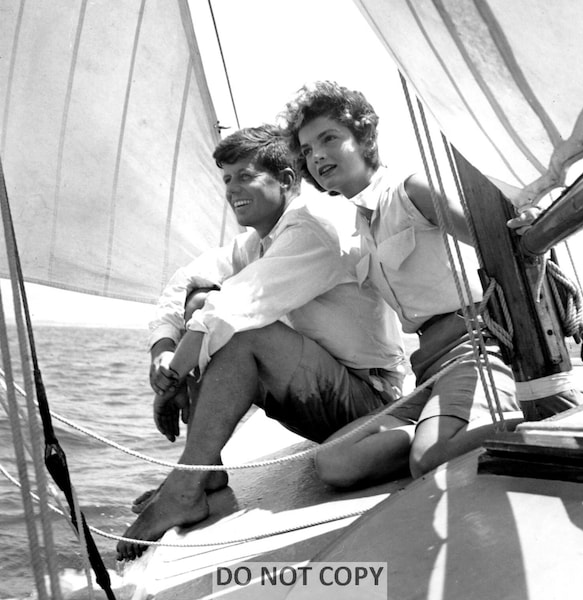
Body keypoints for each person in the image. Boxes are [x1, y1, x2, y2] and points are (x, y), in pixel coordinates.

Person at [116, 124, 406, 560]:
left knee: (241, 329)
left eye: (244, 176)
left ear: (286, 180)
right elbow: (183, 285)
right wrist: (161, 349)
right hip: (326, 398)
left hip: (371, 402)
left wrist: (173, 377)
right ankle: (204, 475)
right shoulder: (257, 242)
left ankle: (184, 488)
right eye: (227, 179)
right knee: (199, 299)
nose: (232, 189)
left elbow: (235, 307)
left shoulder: (313, 226)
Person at [280, 81, 524, 489]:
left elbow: (501, 236)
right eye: (307, 150)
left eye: (329, 138)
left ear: (363, 139)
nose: (317, 155)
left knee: (428, 462)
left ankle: (527, 418)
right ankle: (439, 431)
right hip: (428, 366)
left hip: (475, 347)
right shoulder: (358, 224)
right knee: (334, 462)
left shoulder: (411, 190)